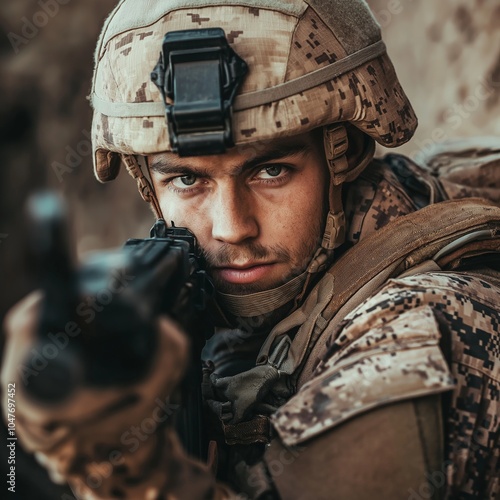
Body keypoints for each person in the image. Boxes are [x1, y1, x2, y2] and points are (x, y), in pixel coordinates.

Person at [2, 0, 499, 499]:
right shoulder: (239, 298)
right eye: (187, 178)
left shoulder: (420, 331)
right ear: (148, 183)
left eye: (271, 171)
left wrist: (133, 473)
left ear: (341, 153)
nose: (231, 228)